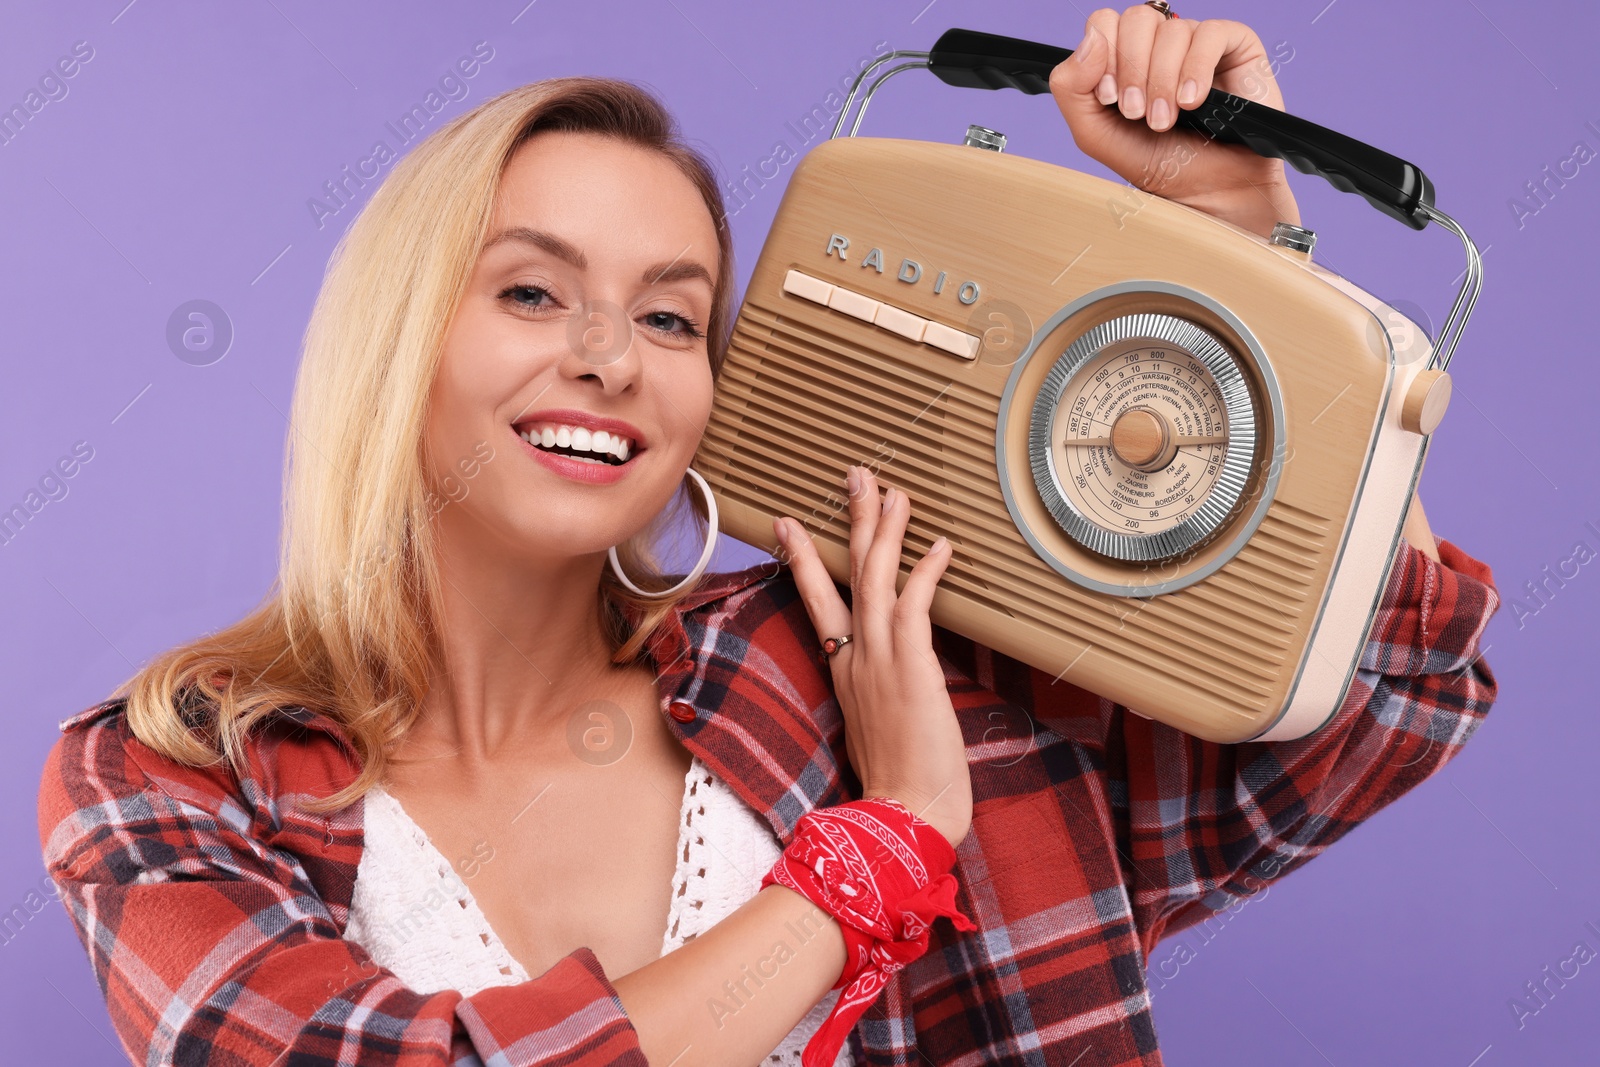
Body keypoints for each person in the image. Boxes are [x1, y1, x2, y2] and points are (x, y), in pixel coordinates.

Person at [36, 7, 1500, 1066]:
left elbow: (1380, 697)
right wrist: (881, 852)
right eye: (534, 294)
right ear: (394, 341)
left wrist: (1243, 242)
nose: (611, 358)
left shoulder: (868, 660)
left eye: (672, 315)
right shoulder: (167, 773)